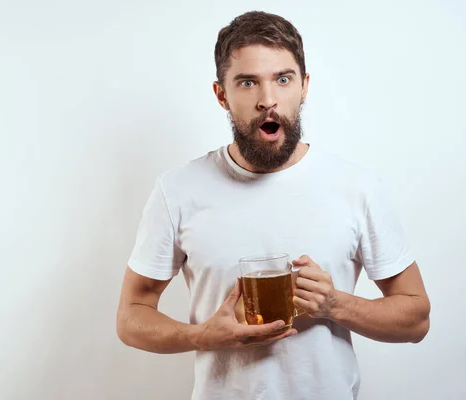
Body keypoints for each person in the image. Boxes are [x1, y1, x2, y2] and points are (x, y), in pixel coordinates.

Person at [116, 10, 430, 400]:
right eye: (248, 82)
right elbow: (131, 316)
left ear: (304, 86)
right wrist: (202, 336)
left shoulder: (357, 187)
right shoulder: (177, 190)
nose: (268, 100)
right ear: (221, 95)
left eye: (283, 79)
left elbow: (416, 319)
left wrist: (335, 304)